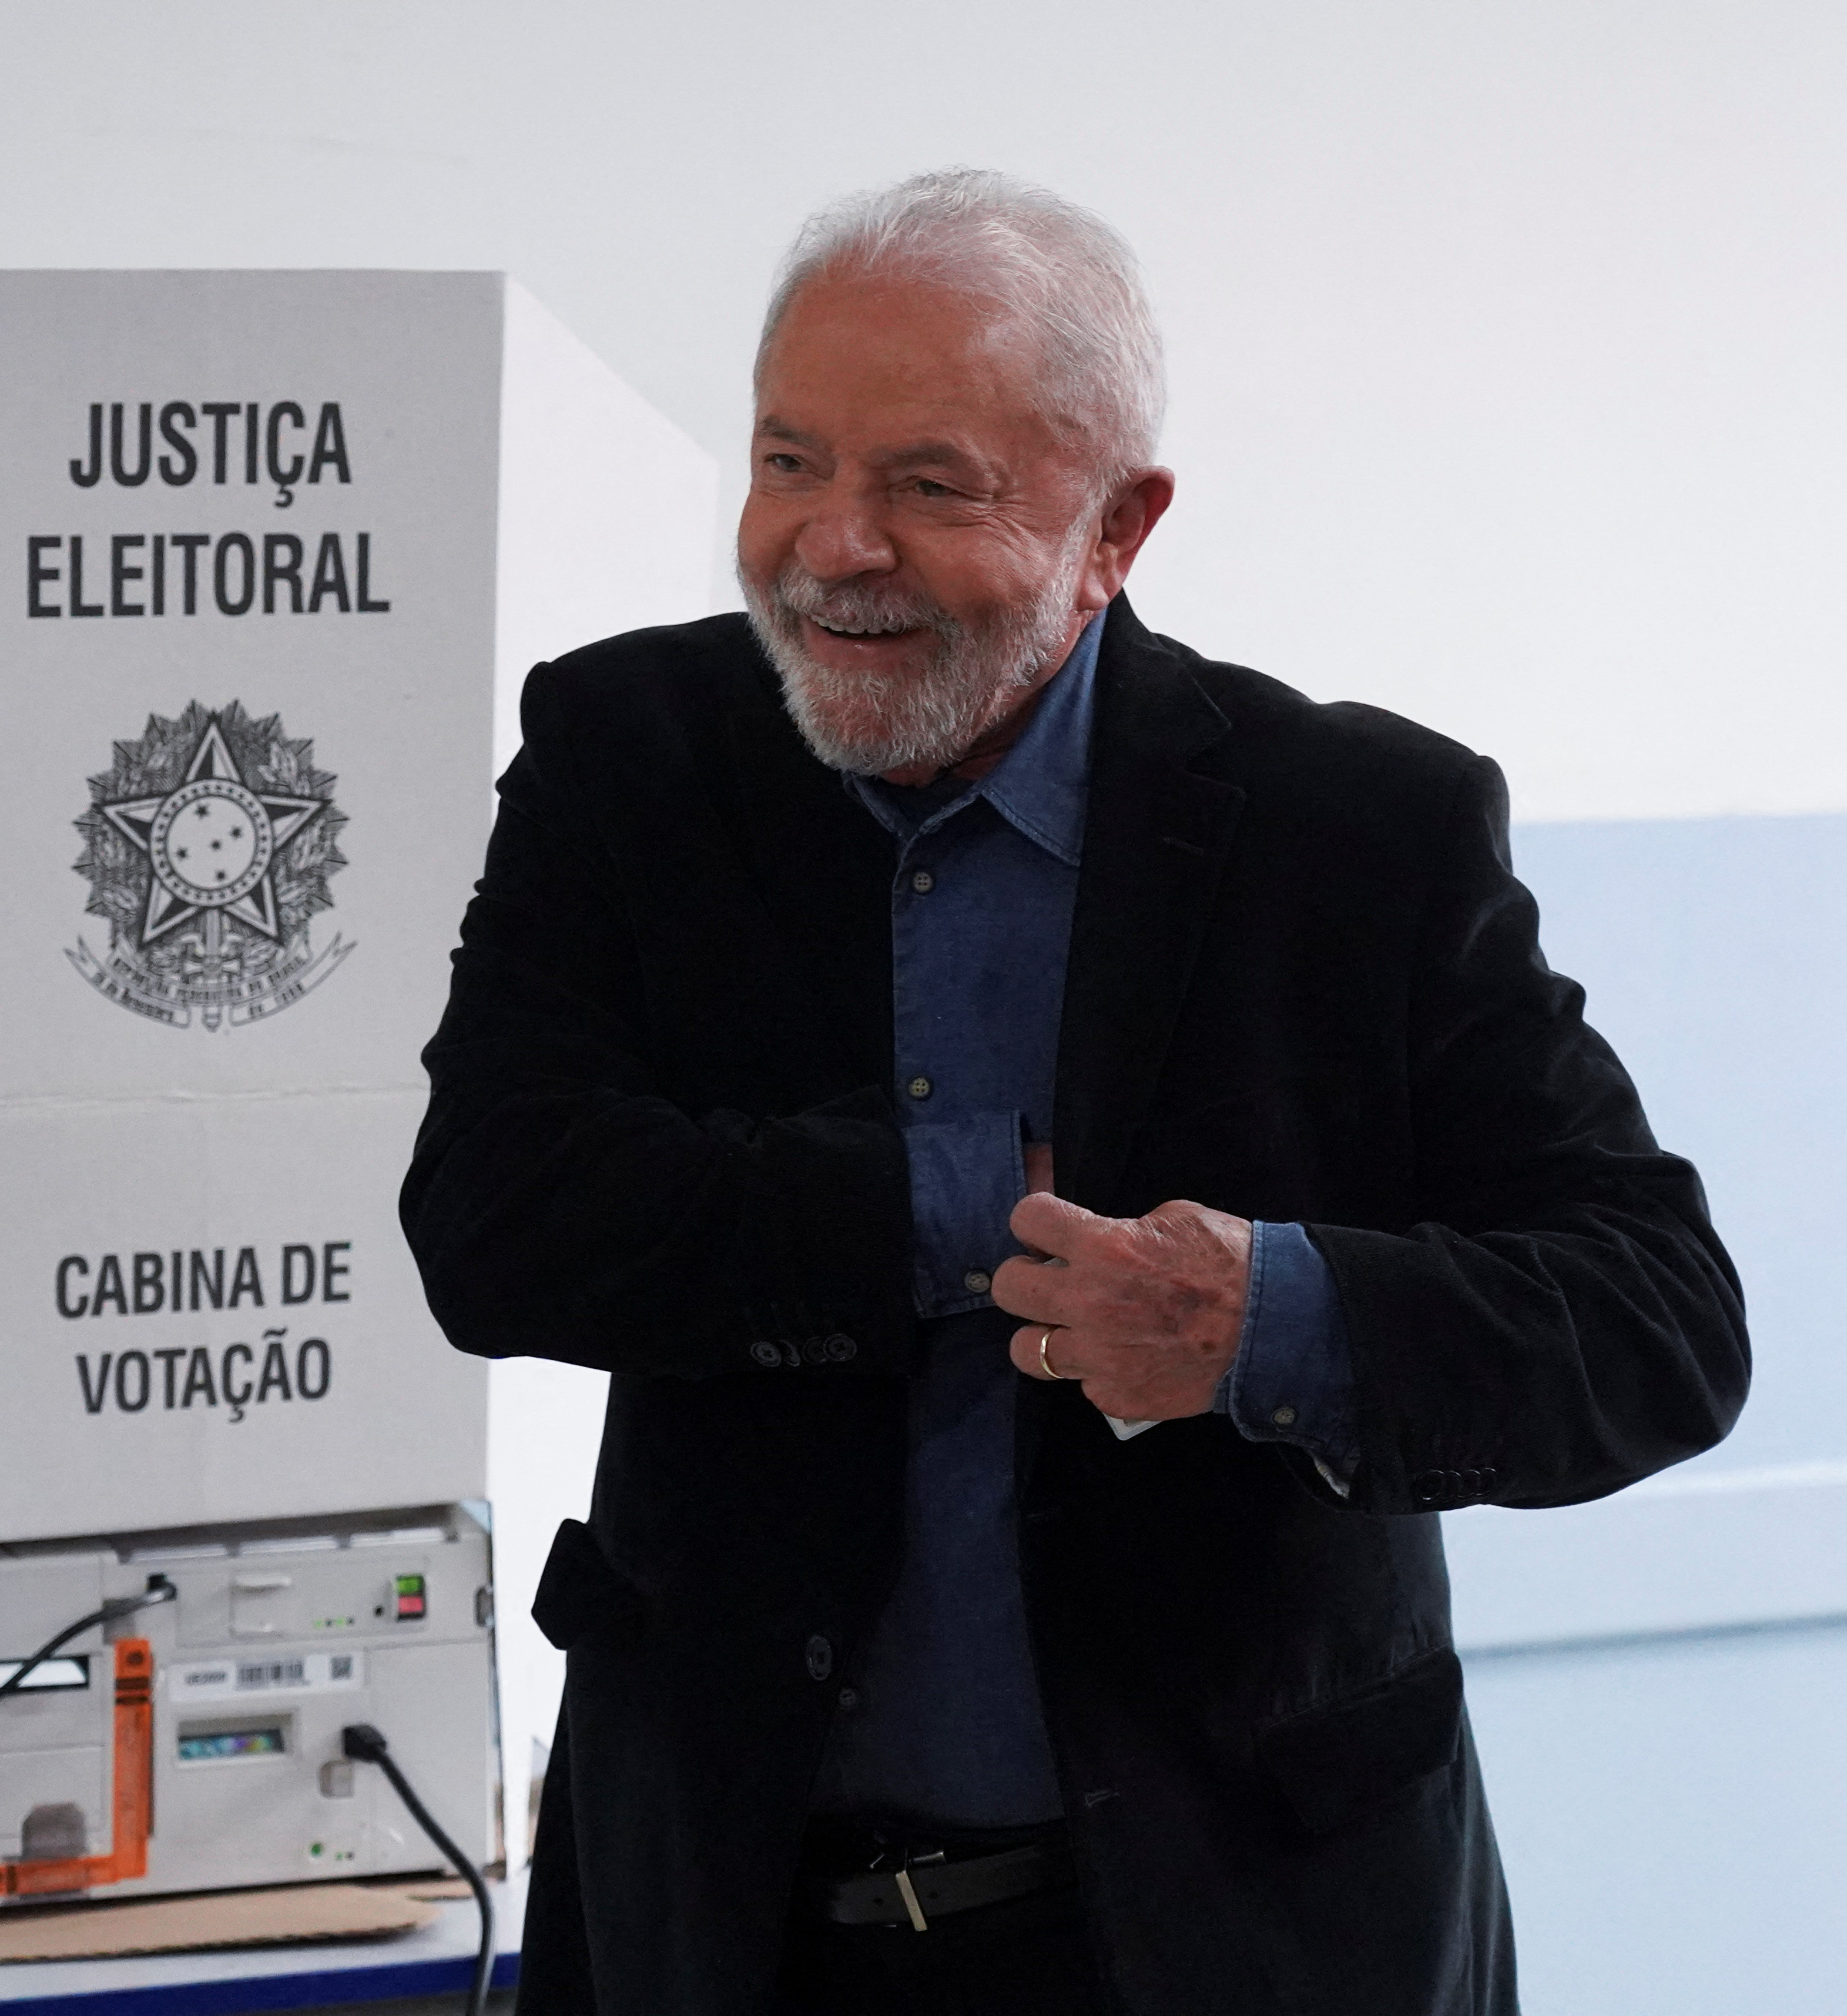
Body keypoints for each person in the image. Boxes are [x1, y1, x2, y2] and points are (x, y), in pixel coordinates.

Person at [399, 168, 1747, 2016]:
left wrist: (1262, 1319)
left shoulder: (1356, 832)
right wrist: (958, 1206)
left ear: (1118, 525)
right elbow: (495, 1218)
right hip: (731, 1916)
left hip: (1241, 1933)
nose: (830, 545)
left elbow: (1655, 1324)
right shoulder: (624, 757)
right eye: (788, 462)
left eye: (927, 485)